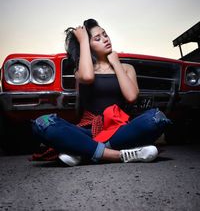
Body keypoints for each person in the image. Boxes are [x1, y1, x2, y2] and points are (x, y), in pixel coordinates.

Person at [32, 19, 171, 166]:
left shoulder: (127, 68)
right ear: (87, 46)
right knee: (43, 123)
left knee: (156, 118)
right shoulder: (80, 71)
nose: (105, 39)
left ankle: (80, 150)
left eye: (105, 34)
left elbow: (131, 97)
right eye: (97, 38)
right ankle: (118, 155)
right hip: (87, 130)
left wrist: (116, 63)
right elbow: (88, 77)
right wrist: (84, 40)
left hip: (119, 129)